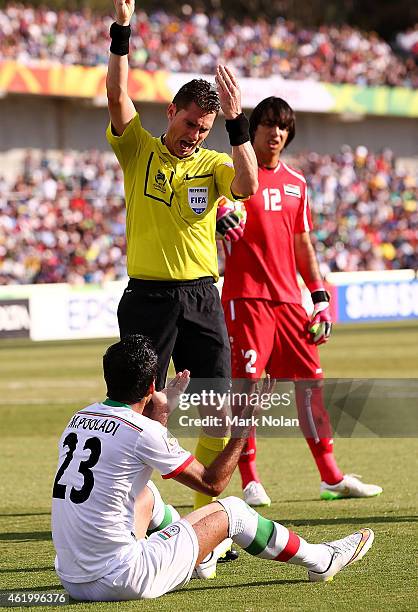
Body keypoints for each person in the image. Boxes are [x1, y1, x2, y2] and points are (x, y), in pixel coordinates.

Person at [51, 334, 375, 601]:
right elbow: (212, 483)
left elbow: (132, 447)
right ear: (152, 385)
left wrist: (163, 413)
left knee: (146, 493)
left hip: (73, 581)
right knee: (233, 509)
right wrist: (245, 425)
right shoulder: (142, 431)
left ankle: (202, 557)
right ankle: (322, 560)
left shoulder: (78, 419)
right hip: (125, 578)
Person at [105, 0, 258, 514]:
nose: (196, 135)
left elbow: (247, 184)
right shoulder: (139, 150)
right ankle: (136, 506)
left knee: (214, 401)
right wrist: (122, 30)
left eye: (205, 128)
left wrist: (237, 125)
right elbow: (117, 94)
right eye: (191, 123)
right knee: (140, 407)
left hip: (199, 295)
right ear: (171, 112)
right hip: (146, 297)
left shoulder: (215, 161)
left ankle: (203, 523)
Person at [221, 97, 383, 506]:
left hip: (289, 300)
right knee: (249, 388)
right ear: (253, 128)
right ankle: (250, 479)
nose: (276, 133)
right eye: (269, 125)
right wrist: (218, 220)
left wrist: (319, 298)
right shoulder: (231, 173)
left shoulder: (297, 182)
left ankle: (331, 477)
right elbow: (209, 211)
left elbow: (302, 243)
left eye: (284, 127)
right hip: (246, 295)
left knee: (311, 384)